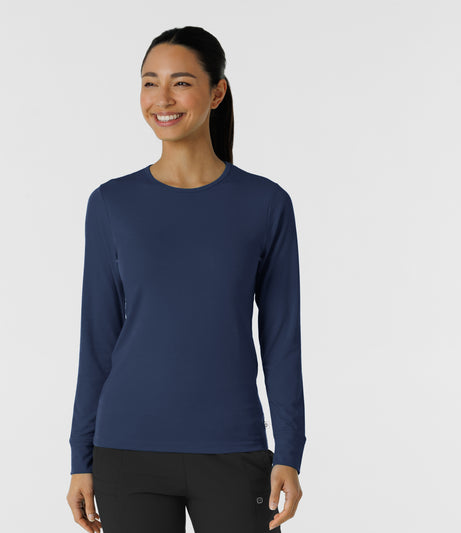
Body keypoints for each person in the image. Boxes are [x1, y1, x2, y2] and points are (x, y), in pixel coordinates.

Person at [66, 26, 306, 533]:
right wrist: (80, 457)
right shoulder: (111, 204)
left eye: (181, 82)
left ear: (217, 93)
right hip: (127, 450)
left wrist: (289, 450)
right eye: (149, 83)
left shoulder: (265, 204)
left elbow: (282, 340)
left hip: (234, 448)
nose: (162, 98)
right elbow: (97, 340)